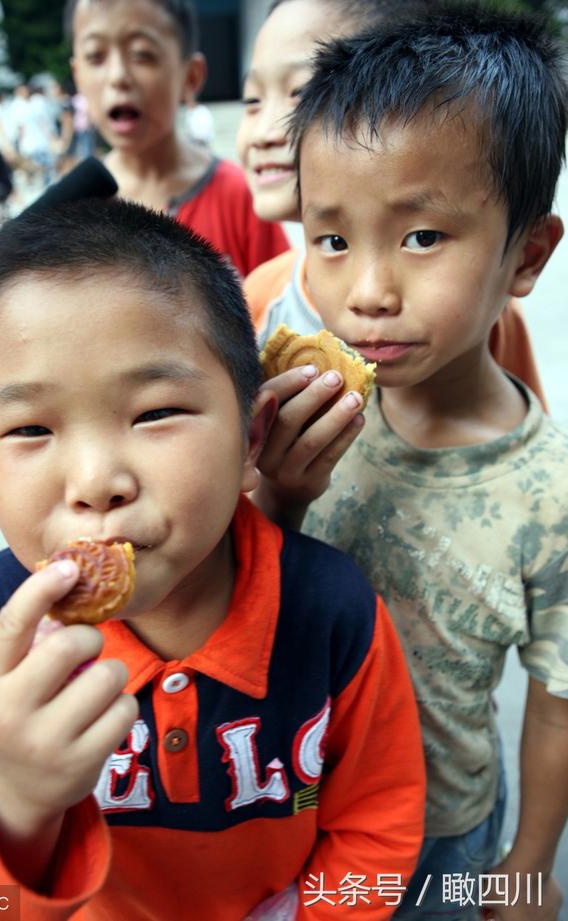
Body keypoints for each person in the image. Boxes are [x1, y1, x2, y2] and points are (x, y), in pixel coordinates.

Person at [0, 198, 425, 920]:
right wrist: (12, 796)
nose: (96, 481)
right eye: (31, 427)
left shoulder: (332, 610)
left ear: (252, 434)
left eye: (155, 412)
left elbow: (379, 821)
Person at [253, 7, 568, 920]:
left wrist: (531, 859)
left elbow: (555, 699)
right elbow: (239, 593)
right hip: (298, 807)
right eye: (333, 239)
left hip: (447, 828)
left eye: (422, 236)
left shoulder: (547, 490)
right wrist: (278, 492)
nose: (368, 292)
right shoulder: (295, 412)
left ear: (527, 253)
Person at [239, 0, 549, 410]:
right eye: (252, 100)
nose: (267, 131)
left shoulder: (488, 315)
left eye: (301, 91)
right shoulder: (261, 298)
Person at [63, 0, 289, 277]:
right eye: (96, 56)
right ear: (77, 76)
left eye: (142, 54)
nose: (117, 76)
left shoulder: (240, 197)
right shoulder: (72, 206)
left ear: (191, 76)